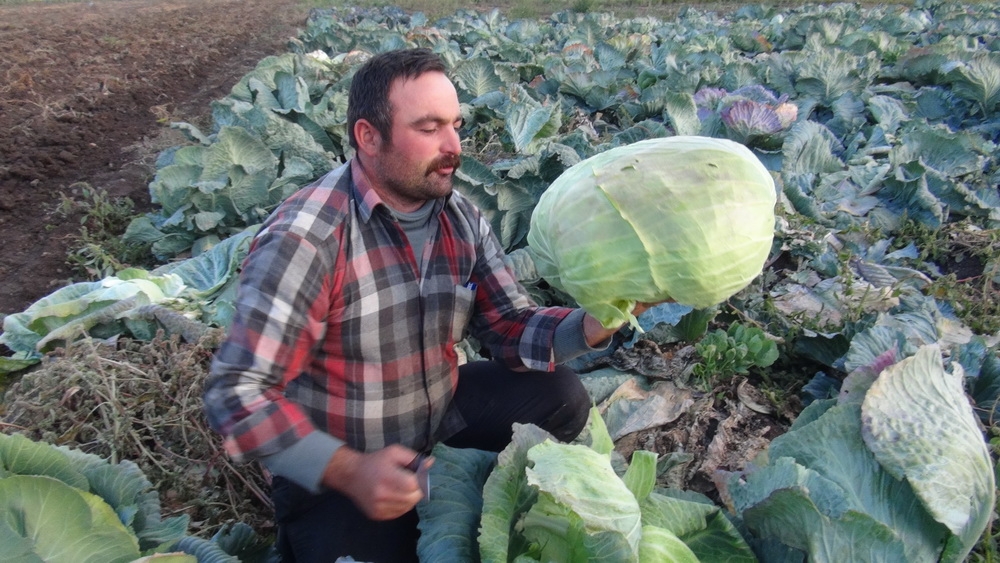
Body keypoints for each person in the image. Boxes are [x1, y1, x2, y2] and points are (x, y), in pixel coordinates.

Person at [203, 47, 651, 563]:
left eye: (455, 125)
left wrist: (600, 320)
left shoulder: (459, 216)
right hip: (341, 458)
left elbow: (508, 325)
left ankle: (490, 491)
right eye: (428, 127)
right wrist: (349, 470)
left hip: (438, 412)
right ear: (368, 136)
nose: (453, 145)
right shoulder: (308, 240)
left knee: (561, 394)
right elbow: (236, 394)